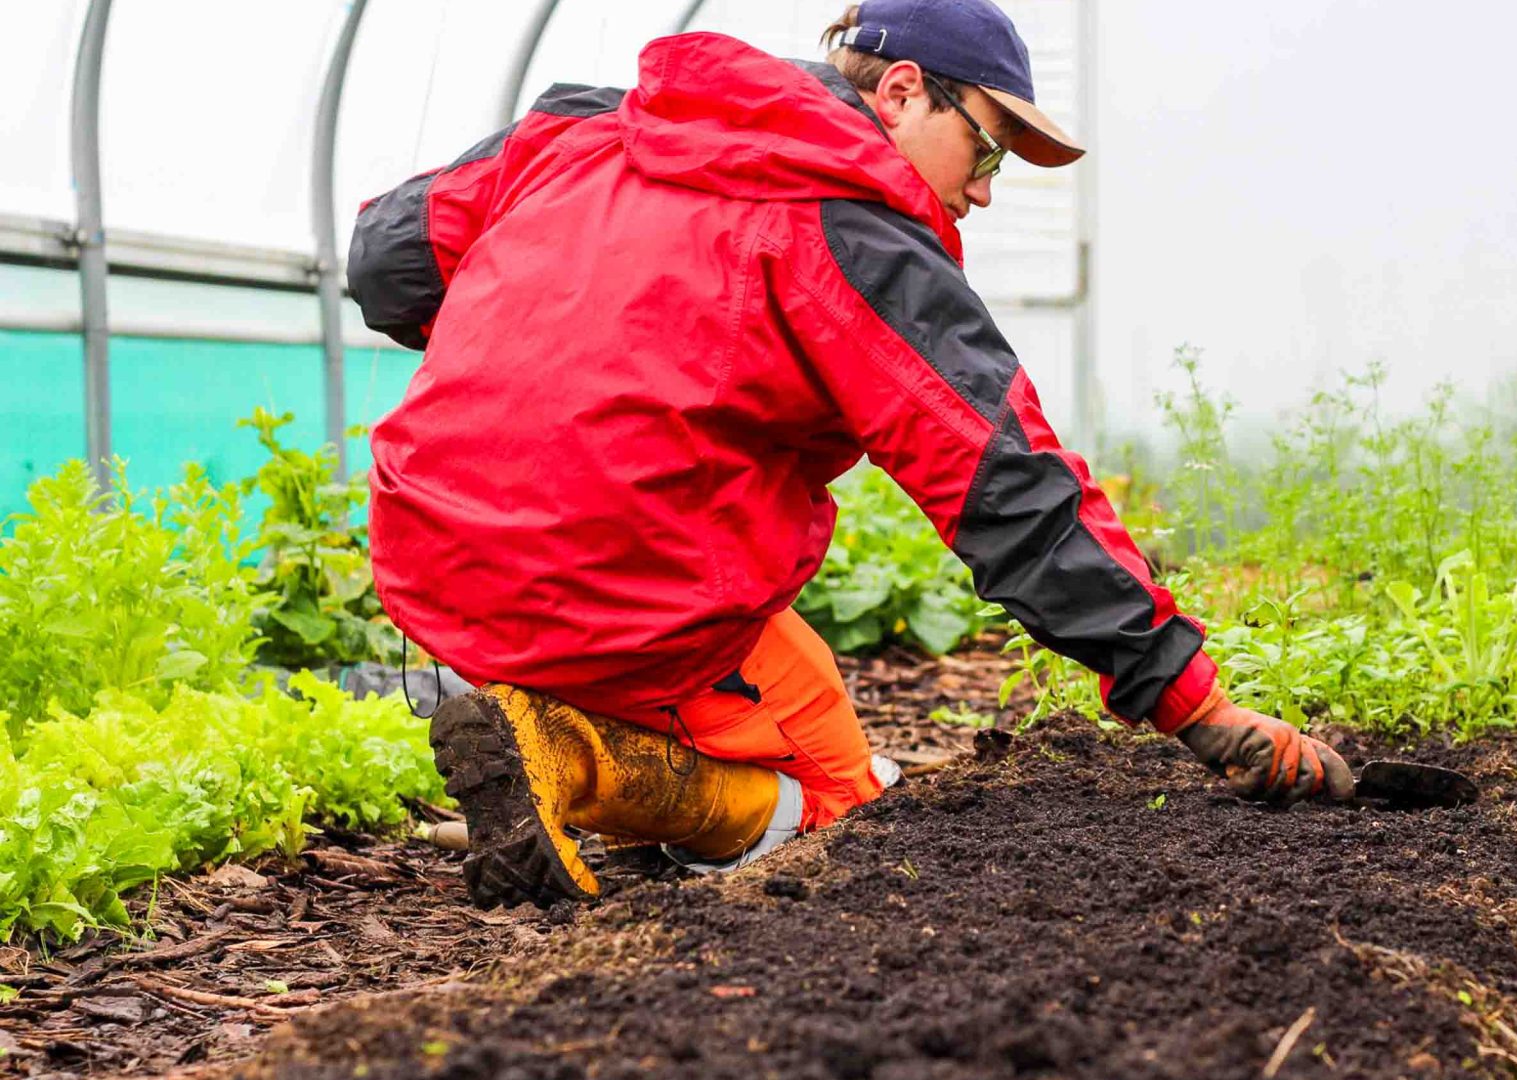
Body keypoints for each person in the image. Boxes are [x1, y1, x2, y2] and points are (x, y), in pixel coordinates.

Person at [348, 0, 1354, 910]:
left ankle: (550, 717)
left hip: (432, 546)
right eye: (990, 152)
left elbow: (388, 258)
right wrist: (1196, 705)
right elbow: (1006, 485)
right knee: (843, 804)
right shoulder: (852, 229)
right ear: (904, 91)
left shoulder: (585, 132)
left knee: (794, 678)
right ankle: (573, 756)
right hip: (620, 579)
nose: (987, 193)